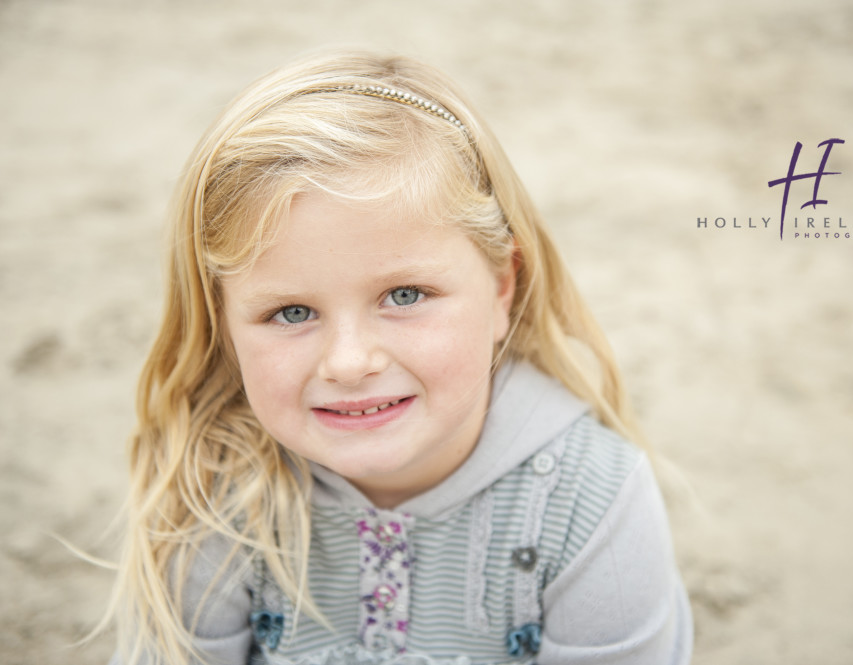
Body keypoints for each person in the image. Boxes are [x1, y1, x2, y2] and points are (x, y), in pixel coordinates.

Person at [106, 47, 692, 665]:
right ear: (221, 321)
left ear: (500, 288)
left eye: (405, 295)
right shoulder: (214, 484)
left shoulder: (594, 500)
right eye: (292, 313)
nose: (350, 362)